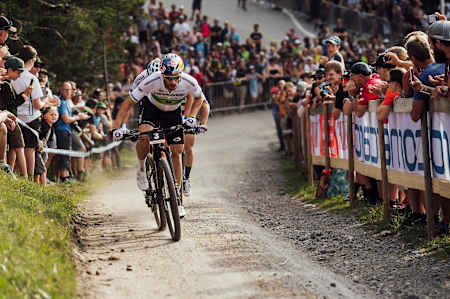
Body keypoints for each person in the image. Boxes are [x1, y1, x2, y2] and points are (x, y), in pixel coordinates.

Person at [113, 54, 204, 217]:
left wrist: (190, 117)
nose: (173, 83)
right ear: (162, 75)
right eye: (169, 79)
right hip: (152, 108)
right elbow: (128, 103)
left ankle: (178, 200)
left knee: (177, 152)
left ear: (181, 75)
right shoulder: (149, 81)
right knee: (144, 136)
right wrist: (117, 127)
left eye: (176, 79)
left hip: (173, 111)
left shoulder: (189, 81)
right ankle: (141, 169)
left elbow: (199, 99)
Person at [1, 56, 29, 177]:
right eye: (18, 72)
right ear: (10, 70)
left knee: (15, 148)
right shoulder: (5, 84)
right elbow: (10, 104)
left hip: (8, 118)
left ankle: (9, 171)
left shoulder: (8, 83)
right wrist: (25, 96)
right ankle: (25, 176)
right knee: (18, 146)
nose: (20, 75)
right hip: (7, 117)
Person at [183, 95, 209, 197]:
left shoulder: (191, 87)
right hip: (172, 116)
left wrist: (203, 124)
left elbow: (205, 105)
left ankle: (186, 178)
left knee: (188, 147)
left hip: (189, 118)